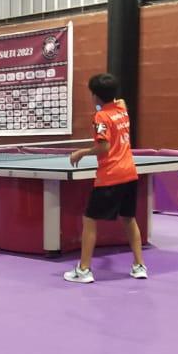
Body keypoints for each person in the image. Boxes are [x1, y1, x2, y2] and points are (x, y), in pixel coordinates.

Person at [63, 74, 147, 284]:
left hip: (110, 176)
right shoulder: (122, 109)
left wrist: (81, 152)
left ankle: (84, 270)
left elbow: (104, 147)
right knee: (128, 218)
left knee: (89, 220)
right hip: (130, 173)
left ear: (95, 96)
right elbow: (120, 100)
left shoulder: (100, 117)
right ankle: (139, 266)